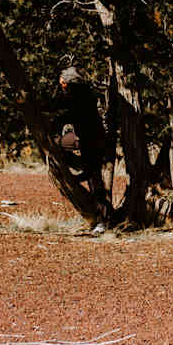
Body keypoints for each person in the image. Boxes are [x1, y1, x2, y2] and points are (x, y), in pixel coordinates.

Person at [58, 67, 112, 228]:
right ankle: (81, 171)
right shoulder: (82, 93)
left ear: (69, 82)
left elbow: (69, 114)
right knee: (92, 176)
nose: (61, 86)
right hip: (89, 139)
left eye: (63, 83)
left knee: (94, 180)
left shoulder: (78, 95)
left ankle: (103, 220)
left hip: (91, 140)